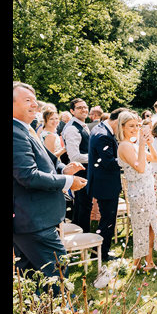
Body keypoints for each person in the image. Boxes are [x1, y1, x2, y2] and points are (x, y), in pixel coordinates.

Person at [13, 82, 86, 293]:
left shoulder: (26, 129)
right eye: (27, 100)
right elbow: (28, 175)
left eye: (34, 100)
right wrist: (68, 182)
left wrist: (64, 169)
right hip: (34, 222)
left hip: (32, 221)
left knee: (32, 282)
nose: (34, 105)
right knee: (58, 275)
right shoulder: (16, 132)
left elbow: (47, 161)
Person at [116, 111, 157, 271]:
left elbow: (154, 158)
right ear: (122, 127)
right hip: (138, 190)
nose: (135, 129)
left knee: (148, 225)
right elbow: (140, 168)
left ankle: (145, 261)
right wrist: (141, 145)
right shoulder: (124, 145)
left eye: (137, 125)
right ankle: (141, 262)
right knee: (141, 225)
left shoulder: (133, 144)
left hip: (146, 189)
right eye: (131, 126)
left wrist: (148, 144)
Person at [87, 107, 128, 262]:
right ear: (118, 121)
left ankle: (99, 251)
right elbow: (109, 163)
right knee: (107, 219)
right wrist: (128, 158)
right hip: (105, 185)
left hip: (102, 182)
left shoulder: (101, 128)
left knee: (106, 218)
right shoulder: (103, 135)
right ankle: (102, 254)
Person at [62, 98, 94, 233]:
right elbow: (74, 156)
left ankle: (80, 232)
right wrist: (95, 157)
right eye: (79, 107)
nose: (83, 110)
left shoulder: (83, 125)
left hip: (86, 170)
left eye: (85, 107)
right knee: (83, 205)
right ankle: (83, 234)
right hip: (79, 171)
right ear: (72, 111)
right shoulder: (71, 128)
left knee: (84, 205)